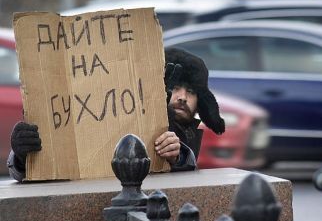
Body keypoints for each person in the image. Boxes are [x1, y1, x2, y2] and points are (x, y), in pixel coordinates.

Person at [7, 48, 225, 182]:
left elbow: (189, 178)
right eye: (175, 87)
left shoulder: (186, 141)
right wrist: (21, 156)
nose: (182, 97)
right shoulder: (124, 116)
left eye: (192, 92)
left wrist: (177, 157)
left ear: (202, 103)